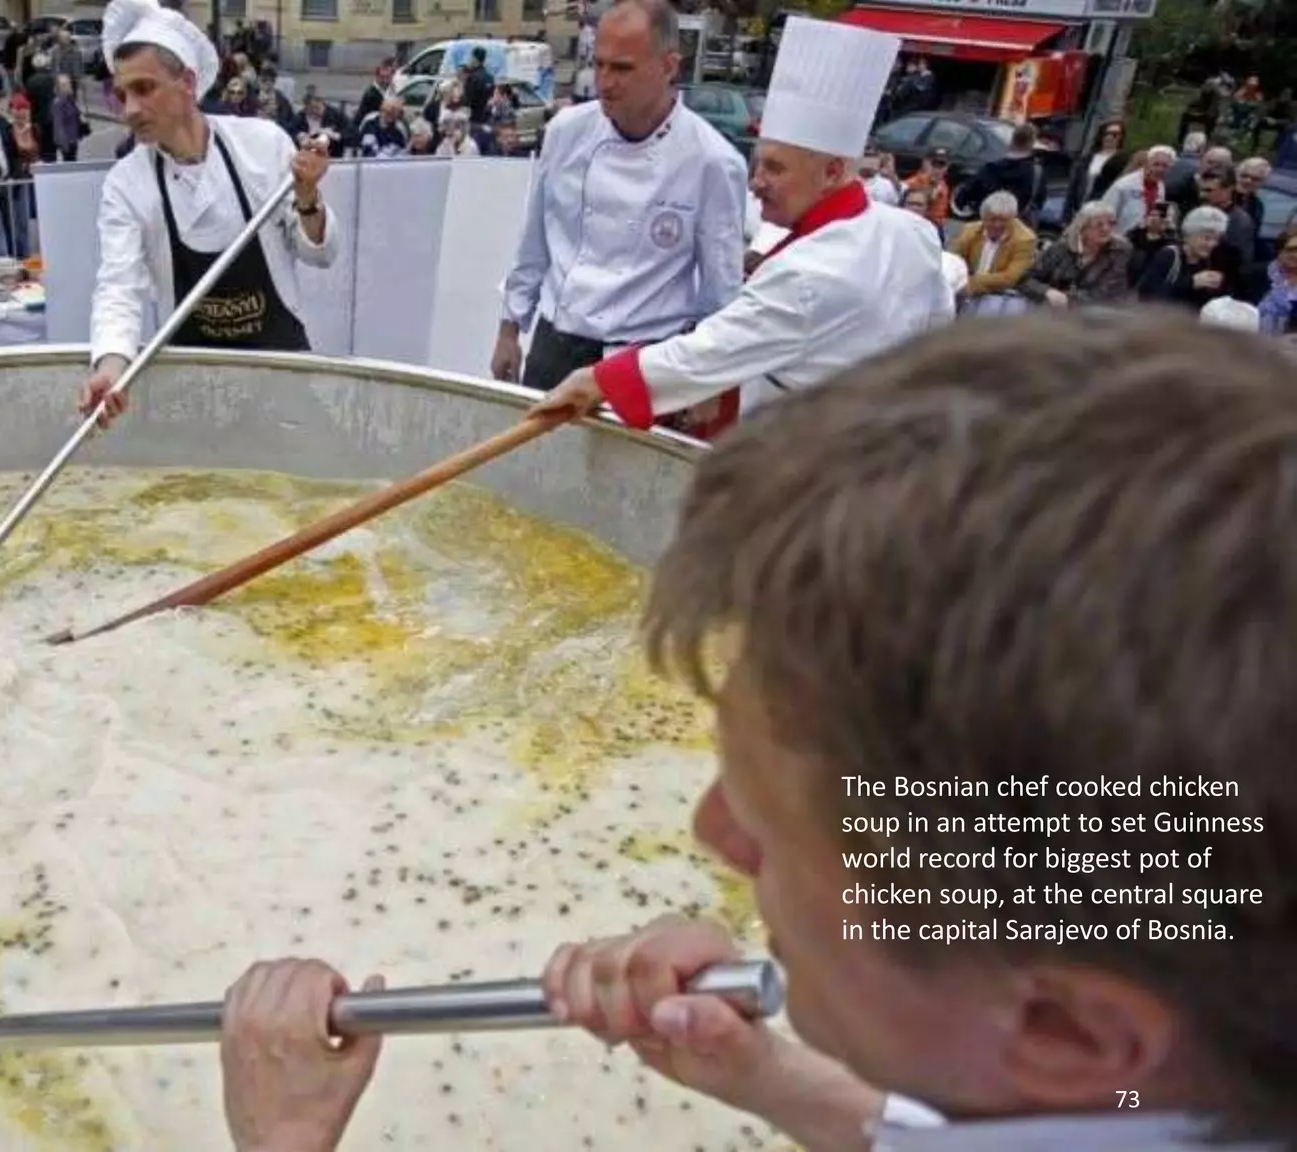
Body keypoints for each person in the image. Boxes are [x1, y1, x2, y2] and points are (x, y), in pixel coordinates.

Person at [214, 311, 1297, 1152]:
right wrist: (767, 1078)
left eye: (769, 831)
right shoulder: (1150, 1077)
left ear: (1059, 1030)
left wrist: (285, 1139)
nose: (708, 834)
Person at [530, 17, 952, 438]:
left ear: (832, 171)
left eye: (774, 168)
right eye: (757, 164)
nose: (755, 183)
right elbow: (936, 343)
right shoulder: (910, 232)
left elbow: (706, 353)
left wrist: (596, 382)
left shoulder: (808, 275)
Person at [79, 0, 335, 428]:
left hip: (283, 377)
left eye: (144, 89)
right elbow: (118, 286)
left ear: (188, 82)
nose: (129, 110)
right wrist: (111, 366)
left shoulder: (264, 144)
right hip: (194, 389)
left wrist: (308, 197)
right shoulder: (126, 183)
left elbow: (320, 254)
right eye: (121, 94)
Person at [493, 0, 746, 400]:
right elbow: (534, 241)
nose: (605, 82)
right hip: (554, 346)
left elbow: (720, 290)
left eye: (623, 68)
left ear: (668, 66)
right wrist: (510, 328)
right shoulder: (566, 132)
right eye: (600, 65)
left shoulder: (712, 161)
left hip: (643, 362)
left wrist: (709, 383)